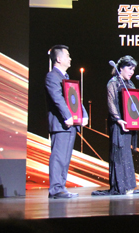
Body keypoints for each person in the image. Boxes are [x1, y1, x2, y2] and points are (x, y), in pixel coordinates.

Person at [45, 45, 88, 199]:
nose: (70, 58)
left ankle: (61, 187)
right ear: (58, 59)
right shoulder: (52, 76)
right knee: (58, 157)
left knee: (65, 158)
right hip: (61, 124)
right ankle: (56, 189)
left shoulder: (66, 76)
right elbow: (57, 98)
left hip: (71, 124)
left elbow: (75, 97)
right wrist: (67, 116)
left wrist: (83, 115)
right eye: (67, 55)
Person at [92, 55, 139, 196]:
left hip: (129, 123)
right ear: (121, 68)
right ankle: (120, 186)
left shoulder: (130, 84)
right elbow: (111, 102)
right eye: (129, 69)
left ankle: (129, 186)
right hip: (118, 123)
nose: (132, 72)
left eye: (133, 69)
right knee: (118, 153)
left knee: (126, 154)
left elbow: (135, 104)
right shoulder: (113, 82)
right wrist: (118, 119)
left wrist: (138, 121)